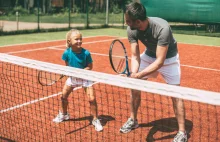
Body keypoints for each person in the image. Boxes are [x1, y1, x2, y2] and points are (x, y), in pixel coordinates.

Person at [119, 2, 187, 142]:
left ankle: (182, 131)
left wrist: (139, 74)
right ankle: (133, 120)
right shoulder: (131, 29)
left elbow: (160, 61)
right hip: (148, 56)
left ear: (138, 21)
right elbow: (135, 56)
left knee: (176, 94)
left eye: (128, 21)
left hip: (169, 59)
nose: (126, 23)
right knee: (135, 87)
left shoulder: (162, 28)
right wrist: (134, 73)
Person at [53, 29, 103, 132]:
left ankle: (95, 119)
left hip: (85, 78)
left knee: (92, 99)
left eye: (81, 39)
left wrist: (82, 72)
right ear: (69, 41)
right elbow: (67, 66)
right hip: (73, 79)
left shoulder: (86, 53)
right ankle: (64, 114)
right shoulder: (66, 53)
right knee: (63, 97)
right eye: (76, 39)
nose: (79, 41)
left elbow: (90, 66)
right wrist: (69, 72)